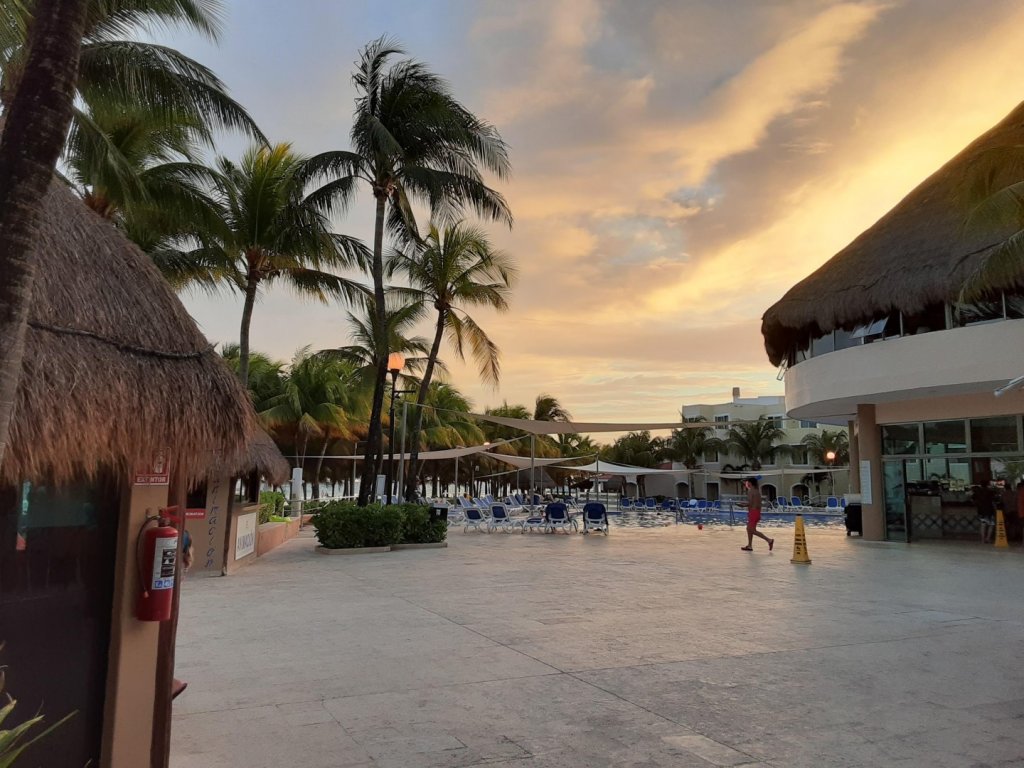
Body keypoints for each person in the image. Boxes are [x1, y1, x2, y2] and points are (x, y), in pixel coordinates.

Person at [741, 477, 774, 552]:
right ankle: (749, 545)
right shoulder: (757, 491)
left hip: (753, 512)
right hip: (757, 512)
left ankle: (769, 540)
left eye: (747, 482)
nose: (746, 484)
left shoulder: (750, 491)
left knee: (751, 530)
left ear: (750, 483)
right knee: (750, 529)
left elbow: (750, 503)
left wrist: (742, 505)